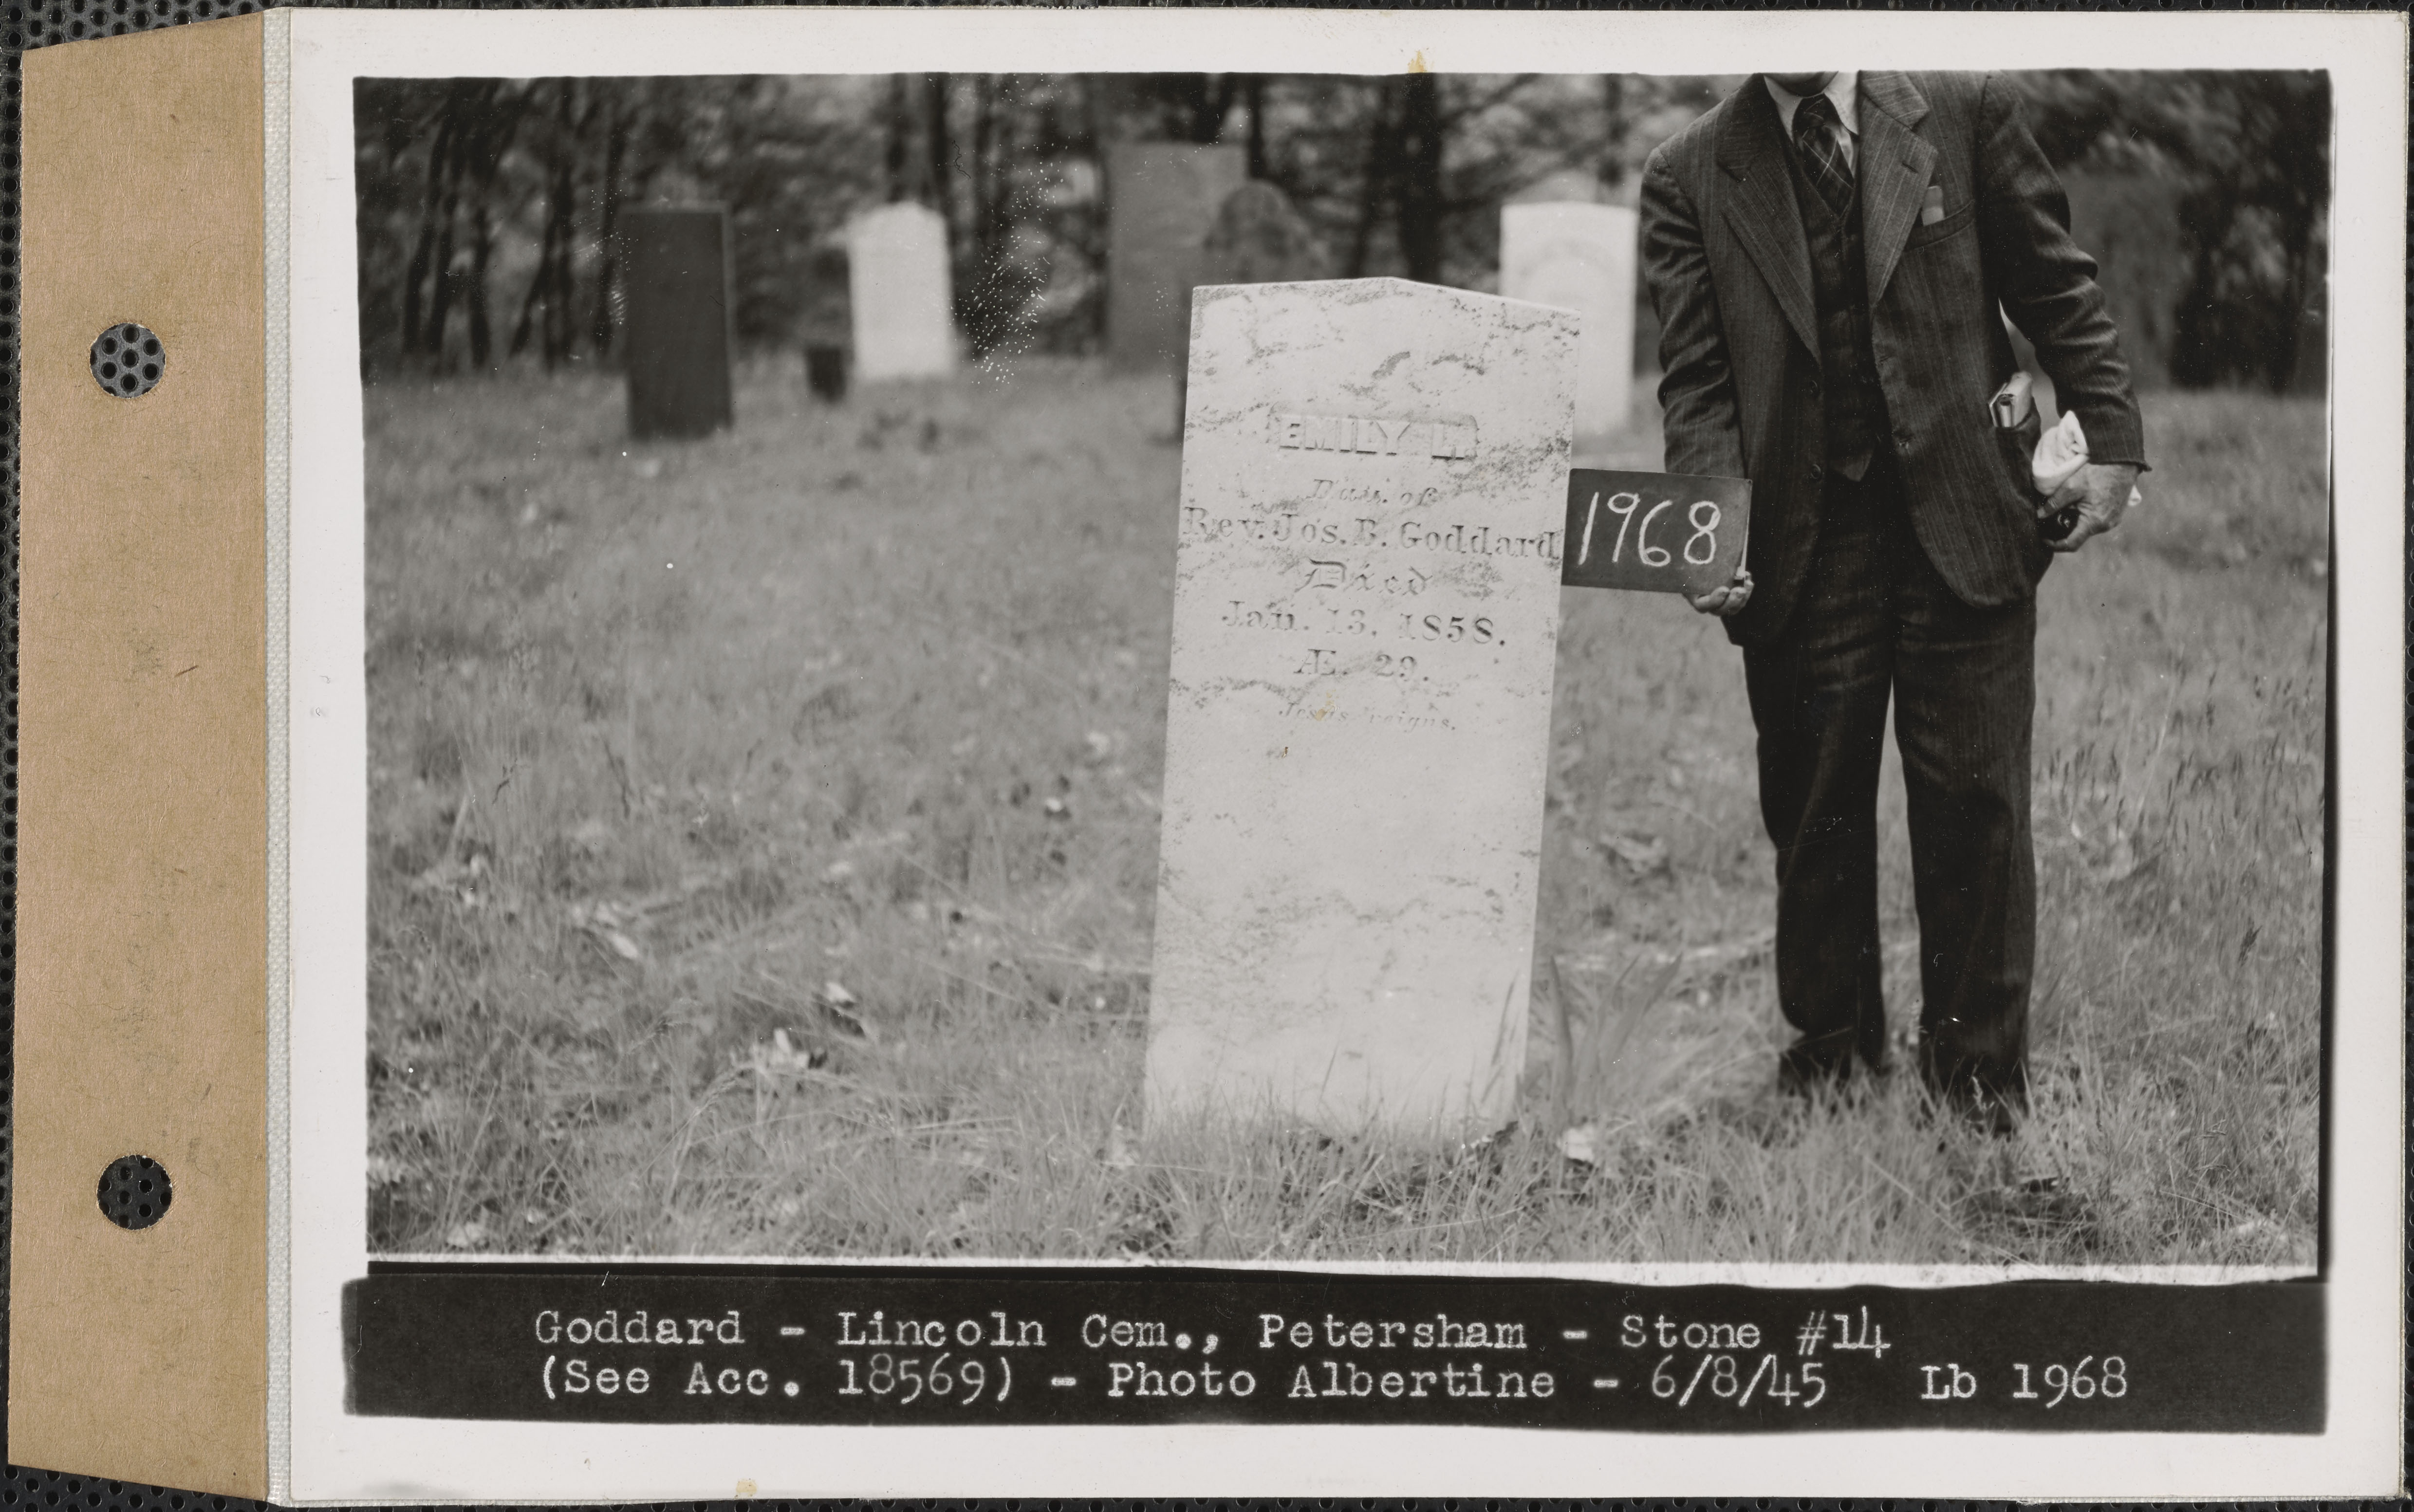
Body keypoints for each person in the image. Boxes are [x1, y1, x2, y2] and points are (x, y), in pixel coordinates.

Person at [1638, 71, 2146, 1132]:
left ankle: (1974, 1088)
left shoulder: (1964, 115)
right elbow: (1695, 382)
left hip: (1964, 515)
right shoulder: (1687, 173)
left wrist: (2110, 439)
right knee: (1812, 806)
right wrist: (1707, 522)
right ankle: (1829, 1058)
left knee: (1976, 806)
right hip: (1796, 541)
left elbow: (2058, 290)